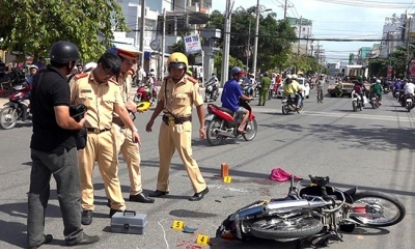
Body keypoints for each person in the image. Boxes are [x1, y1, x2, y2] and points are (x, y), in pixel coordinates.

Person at [28, 41, 99, 248]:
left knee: (36, 193)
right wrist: (79, 123)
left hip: (38, 145)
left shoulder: (40, 76)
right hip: (59, 147)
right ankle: (74, 235)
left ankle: (35, 237)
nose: (76, 66)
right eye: (75, 63)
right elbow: (62, 120)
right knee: (69, 194)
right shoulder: (59, 83)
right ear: (69, 63)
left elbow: (41, 108)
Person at [70, 52, 141, 225]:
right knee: (86, 174)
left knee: (111, 172)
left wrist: (133, 129)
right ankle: (87, 208)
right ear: (99, 65)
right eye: (107, 72)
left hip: (107, 135)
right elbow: (67, 104)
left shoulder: (113, 86)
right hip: (85, 135)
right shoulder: (79, 82)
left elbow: (121, 110)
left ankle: (117, 206)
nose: (109, 76)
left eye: (112, 75)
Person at [145, 52, 208, 201]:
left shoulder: (191, 84)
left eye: (179, 69)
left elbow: (199, 106)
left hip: (182, 125)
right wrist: (152, 119)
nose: (176, 72)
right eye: (173, 69)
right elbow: (161, 102)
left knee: (187, 157)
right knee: (164, 158)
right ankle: (162, 187)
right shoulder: (166, 82)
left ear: (184, 69)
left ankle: (200, 187)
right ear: (169, 69)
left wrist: (202, 126)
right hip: (166, 123)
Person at [107, 46, 154, 204]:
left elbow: (126, 99)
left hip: (126, 124)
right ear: (118, 61)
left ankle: (136, 191)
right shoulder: (109, 80)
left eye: (134, 62)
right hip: (113, 124)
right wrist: (127, 106)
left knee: (134, 158)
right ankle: (111, 196)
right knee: (111, 162)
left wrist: (134, 105)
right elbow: (112, 104)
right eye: (130, 62)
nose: (132, 66)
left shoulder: (126, 78)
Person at [221, 66, 253, 133]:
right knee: (247, 112)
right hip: (233, 107)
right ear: (236, 76)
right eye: (240, 75)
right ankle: (240, 127)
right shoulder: (236, 85)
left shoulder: (227, 83)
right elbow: (242, 97)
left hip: (224, 105)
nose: (240, 77)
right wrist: (249, 98)